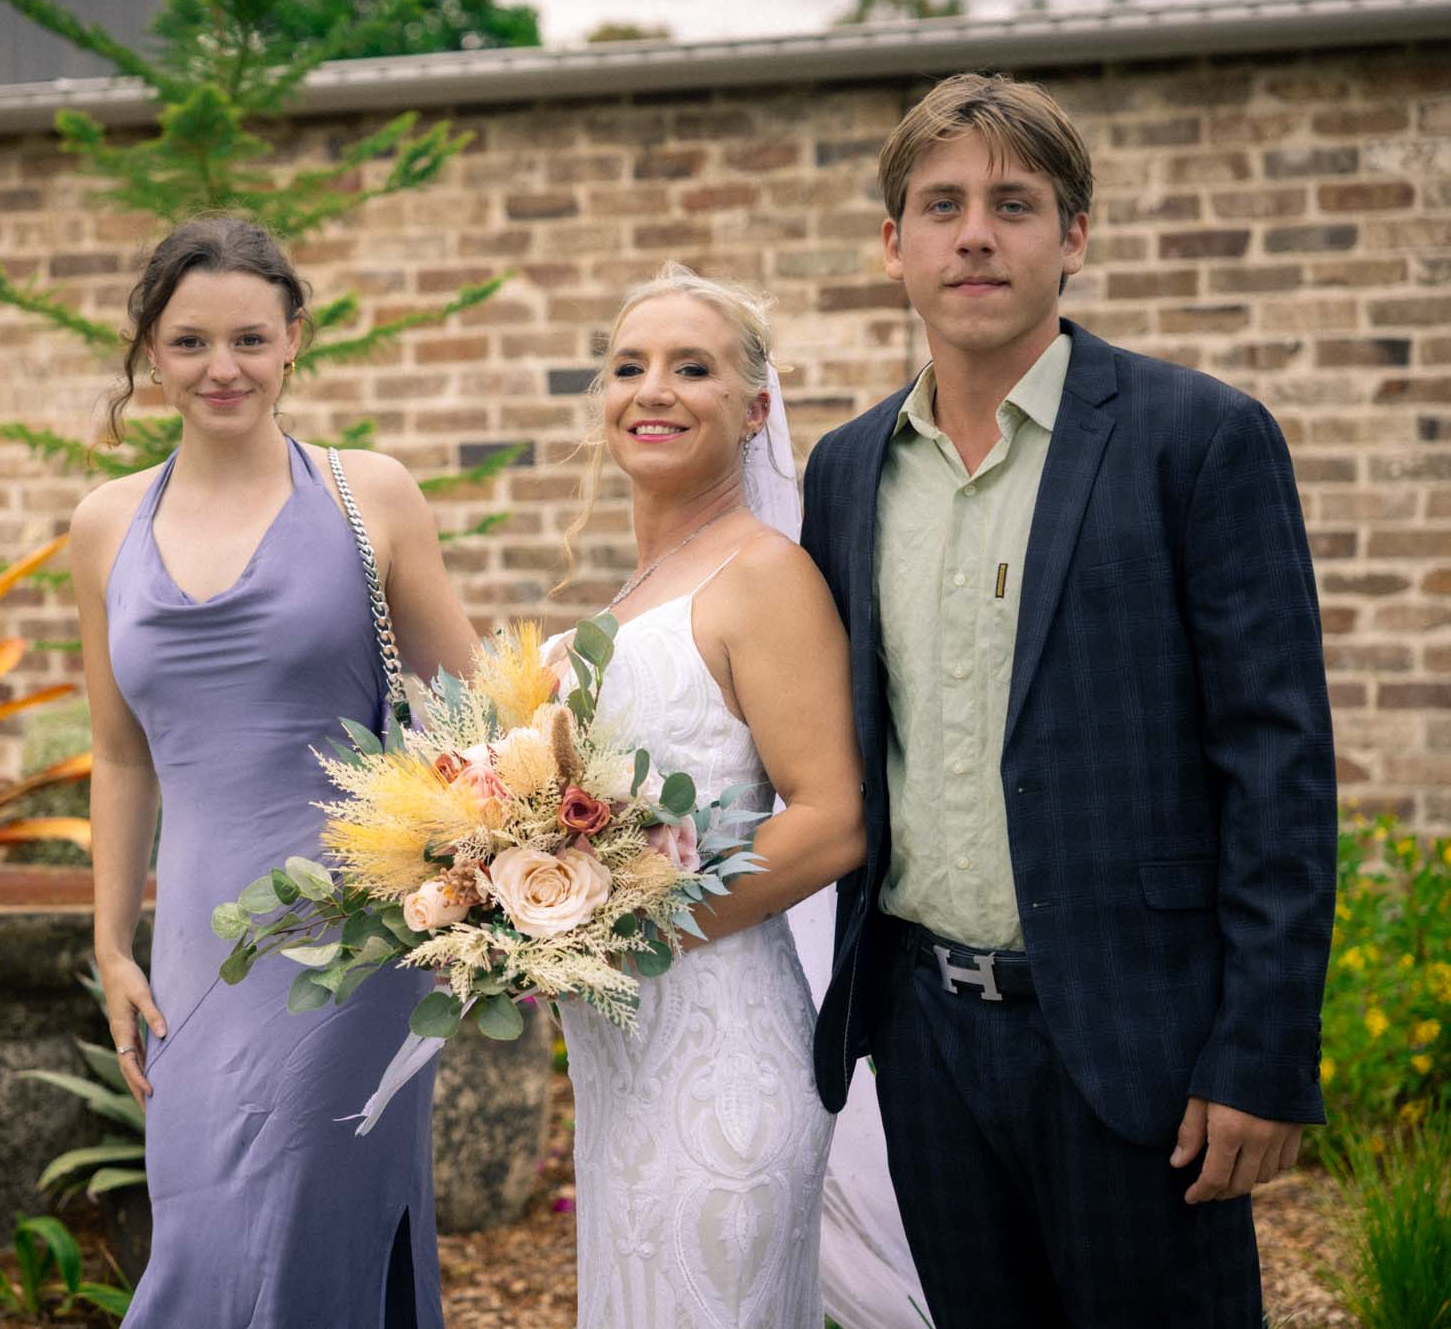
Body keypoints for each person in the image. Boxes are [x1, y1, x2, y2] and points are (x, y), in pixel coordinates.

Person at [800, 73, 1336, 1327]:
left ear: (1072, 236)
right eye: (940, 206)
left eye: (1013, 203)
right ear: (891, 245)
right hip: (925, 1039)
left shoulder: (1197, 439)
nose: (973, 235)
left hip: (1138, 1042)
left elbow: (1276, 761)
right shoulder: (846, 469)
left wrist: (1259, 1051)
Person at [68, 214, 477, 1328]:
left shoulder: (368, 495)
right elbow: (119, 752)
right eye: (190, 341)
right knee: (202, 1224)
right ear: (151, 351)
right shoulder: (105, 524)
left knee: (306, 1220)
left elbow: (474, 713)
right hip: (195, 944)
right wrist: (112, 942)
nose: (223, 367)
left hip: (357, 933)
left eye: (249, 338)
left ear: (295, 338)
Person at [553, 263, 868, 1327]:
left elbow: (832, 819)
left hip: (722, 1068)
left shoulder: (763, 575)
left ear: (755, 408)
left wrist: (618, 930)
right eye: (627, 367)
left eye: (692, 368)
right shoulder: (638, 589)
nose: (652, 389)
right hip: (620, 1069)